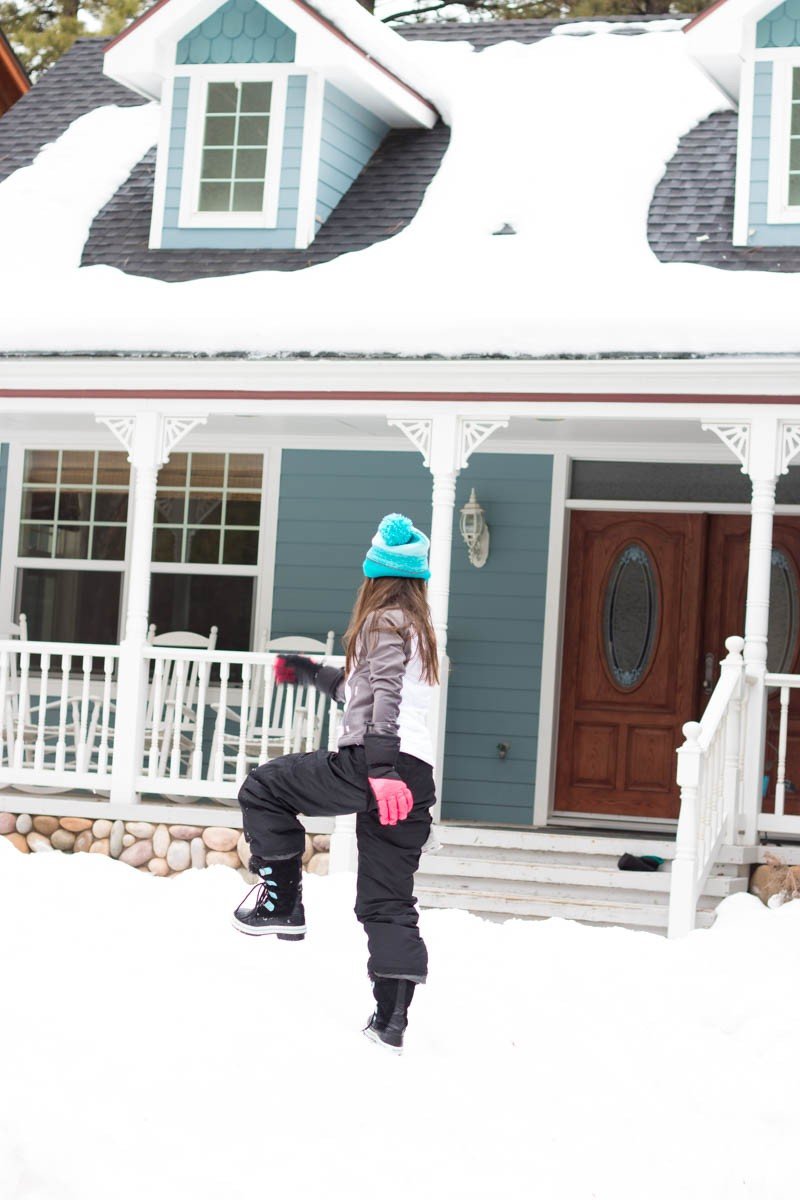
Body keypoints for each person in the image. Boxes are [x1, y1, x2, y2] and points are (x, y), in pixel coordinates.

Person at [232, 513, 438, 1053]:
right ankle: (390, 1021)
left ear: (376, 575)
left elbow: (385, 693)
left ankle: (281, 904)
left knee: (263, 788)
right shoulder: (418, 630)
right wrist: (309, 671)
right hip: (413, 775)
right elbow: (362, 688)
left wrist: (380, 769)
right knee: (388, 900)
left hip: (373, 764)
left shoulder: (382, 620)